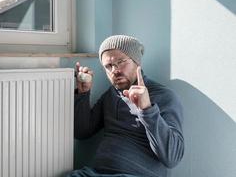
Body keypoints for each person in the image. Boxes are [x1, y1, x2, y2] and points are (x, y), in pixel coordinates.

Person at [68, 35, 184, 177]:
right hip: (97, 173)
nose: (114, 70)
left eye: (121, 62)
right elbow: (82, 132)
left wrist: (147, 109)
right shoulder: (112, 94)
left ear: (137, 62)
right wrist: (83, 93)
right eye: (108, 66)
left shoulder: (164, 96)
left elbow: (172, 158)